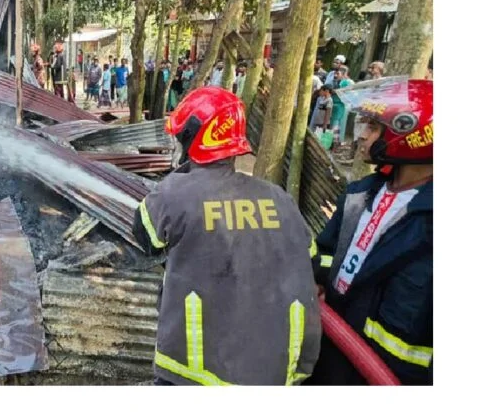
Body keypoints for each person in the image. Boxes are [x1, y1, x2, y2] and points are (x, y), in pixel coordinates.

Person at [132, 87, 321, 385]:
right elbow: (313, 259)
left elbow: (146, 237)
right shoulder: (279, 198)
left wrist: (181, 177)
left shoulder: (175, 193)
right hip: (275, 367)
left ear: (192, 137)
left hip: (196, 372)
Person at [309, 78, 433, 385]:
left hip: (389, 376)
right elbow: (328, 251)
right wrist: (316, 278)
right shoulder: (360, 194)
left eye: (373, 127)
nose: (363, 135)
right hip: (334, 351)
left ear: (410, 135)